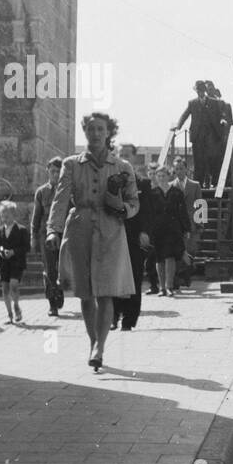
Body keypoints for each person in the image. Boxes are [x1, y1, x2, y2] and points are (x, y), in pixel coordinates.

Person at [46, 112, 140, 372]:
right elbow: (61, 199)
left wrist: (124, 210)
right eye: (91, 129)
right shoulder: (71, 164)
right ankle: (93, 342)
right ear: (84, 132)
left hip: (111, 231)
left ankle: (100, 347)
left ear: (109, 132)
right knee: (86, 293)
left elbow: (134, 202)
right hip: (80, 229)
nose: (96, 134)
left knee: (107, 291)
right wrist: (53, 230)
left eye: (101, 129)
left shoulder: (123, 167)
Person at [113, 162, 159, 331]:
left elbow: (148, 211)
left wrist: (145, 232)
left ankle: (129, 319)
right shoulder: (110, 180)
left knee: (134, 278)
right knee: (113, 277)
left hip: (135, 238)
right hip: (114, 236)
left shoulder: (144, 184)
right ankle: (113, 316)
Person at [30, 157, 64, 317]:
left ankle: (59, 290)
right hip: (46, 236)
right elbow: (36, 217)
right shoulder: (41, 192)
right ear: (48, 172)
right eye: (53, 171)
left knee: (63, 268)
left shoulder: (67, 190)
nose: (56, 174)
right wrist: (34, 237)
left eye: (59, 171)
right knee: (49, 269)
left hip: (64, 234)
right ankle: (52, 304)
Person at [151, 166, 192, 297]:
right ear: (156, 178)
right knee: (159, 258)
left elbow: (183, 212)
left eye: (163, 176)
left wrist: (186, 229)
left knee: (170, 257)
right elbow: (148, 213)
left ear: (168, 176)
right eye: (159, 176)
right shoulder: (153, 193)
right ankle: (161, 287)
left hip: (173, 229)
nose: (161, 178)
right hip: (157, 230)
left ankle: (169, 287)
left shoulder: (176, 193)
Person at [0, 199, 30, 325]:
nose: (4, 219)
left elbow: (26, 247)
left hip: (17, 263)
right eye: (2, 216)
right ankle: (9, 315)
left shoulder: (22, 230)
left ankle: (16, 305)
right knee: (5, 289)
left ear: (14, 215)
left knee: (13, 285)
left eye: (7, 216)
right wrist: (0, 251)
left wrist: (13, 252)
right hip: (4, 264)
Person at [174, 81, 218, 186]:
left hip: (208, 137)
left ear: (205, 91)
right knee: (198, 160)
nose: (200, 93)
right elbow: (185, 115)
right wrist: (178, 125)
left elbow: (218, 115)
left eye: (202, 91)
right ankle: (197, 183)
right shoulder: (192, 103)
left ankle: (208, 182)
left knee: (208, 159)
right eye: (198, 91)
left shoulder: (212, 102)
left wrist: (221, 123)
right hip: (196, 136)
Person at [172, 156, 203, 291]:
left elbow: (200, 205)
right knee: (178, 251)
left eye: (181, 168)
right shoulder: (171, 185)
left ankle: (186, 275)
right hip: (177, 225)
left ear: (186, 169)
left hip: (191, 223)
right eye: (176, 169)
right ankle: (178, 278)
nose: (179, 171)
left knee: (191, 251)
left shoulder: (195, 185)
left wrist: (200, 224)